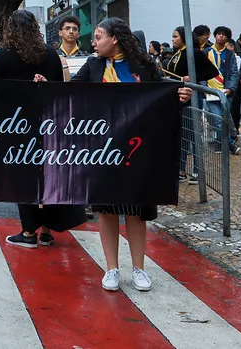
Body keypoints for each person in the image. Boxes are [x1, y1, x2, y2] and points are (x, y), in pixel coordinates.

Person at [73, 17, 193, 292]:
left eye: (99, 36)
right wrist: (44, 84)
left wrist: (180, 97)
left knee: (136, 211)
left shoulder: (145, 67)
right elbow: (69, 94)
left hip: (139, 148)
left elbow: (163, 95)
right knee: (107, 209)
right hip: (102, 149)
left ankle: (139, 268)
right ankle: (111, 269)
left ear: (115, 38)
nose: (94, 42)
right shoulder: (92, 66)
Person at [0, 10, 85, 248]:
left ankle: (28, 232)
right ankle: (46, 230)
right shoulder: (51, 55)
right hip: (48, 124)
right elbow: (60, 89)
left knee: (24, 177)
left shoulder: (3, 56)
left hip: (15, 125)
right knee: (48, 175)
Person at [164, 26, 220, 183]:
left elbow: (212, 72)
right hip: (177, 98)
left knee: (192, 134)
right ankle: (180, 169)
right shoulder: (176, 54)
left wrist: (192, 77)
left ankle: (197, 170)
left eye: (175, 36)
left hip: (191, 97)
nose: (173, 39)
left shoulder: (194, 53)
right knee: (181, 135)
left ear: (184, 37)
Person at [203, 27, 240, 155]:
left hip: (226, 92)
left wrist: (230, 88)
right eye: (219, 34)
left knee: (224, 118)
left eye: (224, 35)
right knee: (217, 119)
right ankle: (230, 143)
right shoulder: (206, 52)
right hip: (210, 92)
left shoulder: (230, 54)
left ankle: (220, 143)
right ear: (215, 36)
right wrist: (204, 89)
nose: (221, 37)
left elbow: (234, 73)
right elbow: (200, 73)